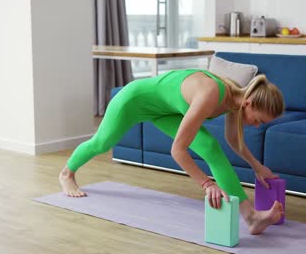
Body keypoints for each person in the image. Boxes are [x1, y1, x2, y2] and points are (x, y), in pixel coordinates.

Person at [59, 68, 285, 235]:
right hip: (133, 100)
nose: (257, 125)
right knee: (102, 143)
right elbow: (178, 150)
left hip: (164, 110)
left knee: (210, 148)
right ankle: (67, 173)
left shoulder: (235, 100)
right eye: (259, 120)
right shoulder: (211, 93)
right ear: (249, 104)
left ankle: (251, 217)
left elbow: (234, 141)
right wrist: (207, 184)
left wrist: (257, 166)